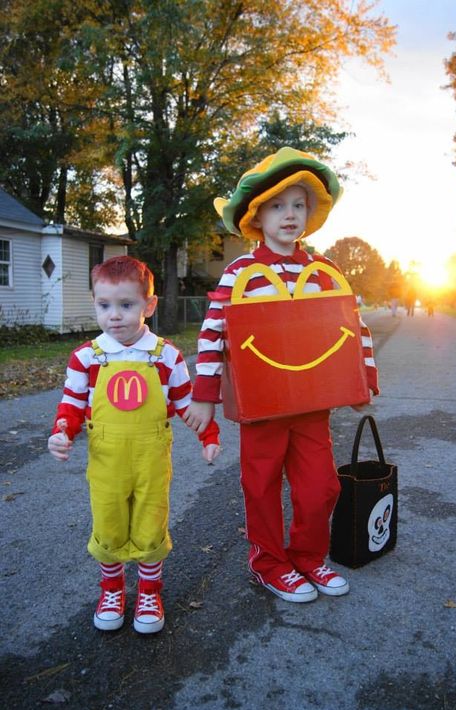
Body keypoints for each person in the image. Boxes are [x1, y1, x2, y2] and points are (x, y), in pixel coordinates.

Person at [184, 147, 379, 603]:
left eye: (298, 205)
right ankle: (269, 564)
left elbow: (353, 326)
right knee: (262, 485)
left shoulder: (325, 271)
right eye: (277, 205)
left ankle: (309, 558)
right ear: (257, 216)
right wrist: (204, 394)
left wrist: (363, 377)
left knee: (321, 486)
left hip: (312, 404)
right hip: (262, 407)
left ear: (310, 214)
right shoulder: (240, 273)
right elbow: (214, 332)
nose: (289, 215)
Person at [48, 256, 220, 633]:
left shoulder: (166, 356)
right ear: (94, 303)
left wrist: (208, 436)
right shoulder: (86, 357)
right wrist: (62, 431)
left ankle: (148, 592)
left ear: (149, 305)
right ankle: (112, 589)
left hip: (151, 458)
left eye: (126, 305)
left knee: (148, 523)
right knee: (108, 523)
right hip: (106, 458)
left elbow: (187, 404)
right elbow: (73, 404)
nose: (114, 316)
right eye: (104, 305)